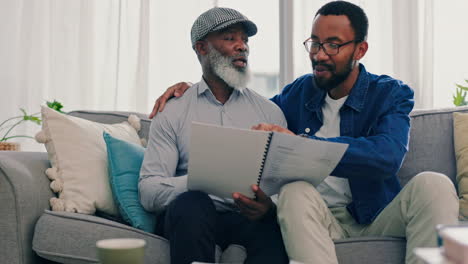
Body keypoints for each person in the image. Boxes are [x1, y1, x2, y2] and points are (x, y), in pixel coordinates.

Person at [149, 1, 459, 264]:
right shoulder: (298, 94)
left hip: (376, 215)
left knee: (435, 184)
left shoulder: (390, 93)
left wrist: (305, 145)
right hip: (315, 216)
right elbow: (239, 113)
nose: (320, 54)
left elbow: (387, 156)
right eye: (315, 43)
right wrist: (194, 88)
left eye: (333, 45)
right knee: (294, 193)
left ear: (360, 49)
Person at [138, 7, 289, 264]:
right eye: (230, 38)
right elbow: (149, 191)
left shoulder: (269, 113)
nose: (242, 47)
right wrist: (200, 182)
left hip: (245, 218)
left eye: (245, 40)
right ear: (201, 48)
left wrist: (269, 206)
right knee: (192, 204)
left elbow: (283, 184)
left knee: (270, 224)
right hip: (191, 217)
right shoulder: (173, 111)